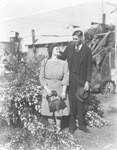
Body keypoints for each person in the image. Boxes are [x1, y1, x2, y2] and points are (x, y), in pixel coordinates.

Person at [60, 30, 92, 134]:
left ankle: (82, 125)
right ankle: (72, 126)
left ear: (81, 38)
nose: (74, 41)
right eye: (73, 39)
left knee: (81, 102)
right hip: (71, 79)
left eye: (76, 39)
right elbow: (62, 57)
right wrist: (55, 51)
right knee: (72, 103)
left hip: (82, 80)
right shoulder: (69, 48)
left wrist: (87, 81)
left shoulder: (87, 50)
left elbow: (89, 67)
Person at [39, 43, 70, 132]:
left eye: (59, 49)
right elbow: (41, 77)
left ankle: (58, 128)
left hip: (60, 88)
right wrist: (47, 90)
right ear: (51, 50)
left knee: (59, 109)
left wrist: (64, 91)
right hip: (48, 87)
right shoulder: (45, 63)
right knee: (49, 109)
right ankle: (51, 129)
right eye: (56, 48)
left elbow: (66, 77)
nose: (58, 50)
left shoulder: (64, 63)